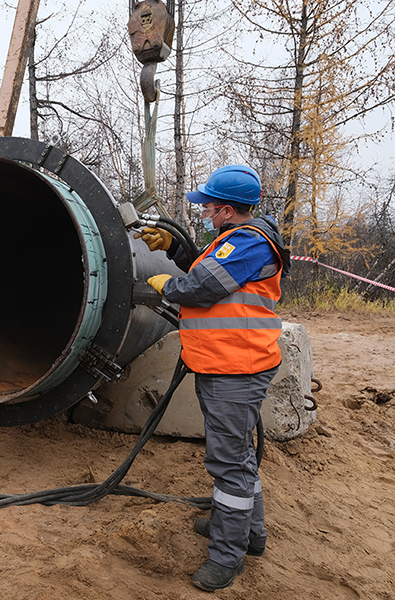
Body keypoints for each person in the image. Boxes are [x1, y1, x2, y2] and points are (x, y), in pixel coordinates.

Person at [138, 165, 291, 592]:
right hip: (224, 365)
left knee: (227, 465)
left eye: (208, 206)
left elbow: (199, 289)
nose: (204, 211)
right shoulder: (237, 242)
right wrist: (175, 250)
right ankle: (250, 535)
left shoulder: (247, 243)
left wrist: (169, 282)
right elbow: (216, 278)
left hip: (235, 369)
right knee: (238, 455)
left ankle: (228, 556)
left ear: (226, 210)